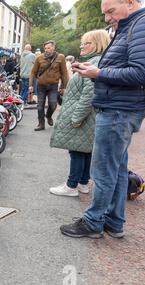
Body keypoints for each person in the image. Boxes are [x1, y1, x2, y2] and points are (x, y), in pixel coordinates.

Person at [60, 0, 145, 239]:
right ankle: (114, 222)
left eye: (110, 11)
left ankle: (93, 222)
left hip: (118, 111)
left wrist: (98, 73)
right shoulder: (131, 25)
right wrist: (95, 69)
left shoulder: (140, 25)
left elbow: (141, 72)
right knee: (116, 169)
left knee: (104, 171)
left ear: (129, 2)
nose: (107, 18)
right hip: (120, 108)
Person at [49, 30, 110, 198]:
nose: (81, 46)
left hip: (84, 115)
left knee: (76, 150)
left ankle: (71, 185)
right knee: (85, 150)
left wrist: (76, 117)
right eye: (82, 43)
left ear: (97, 44)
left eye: (86, 43)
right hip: (90, 116)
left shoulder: (94, 63)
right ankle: (83, 183)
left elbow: (89, 94)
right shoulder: (97, 61)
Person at [29, 40, 69, 131]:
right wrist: (31, 85)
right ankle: (41, 124)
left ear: (53, 47)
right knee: (40, 106)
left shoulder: (61, 57)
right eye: (45, 48)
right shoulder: (39, 58)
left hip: (53, 85)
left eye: (48, 48)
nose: (46, 49)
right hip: (41, 86)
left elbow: (64, 73)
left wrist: (64, 86)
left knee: (53, 104)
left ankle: (48, 115)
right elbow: (33, 72)